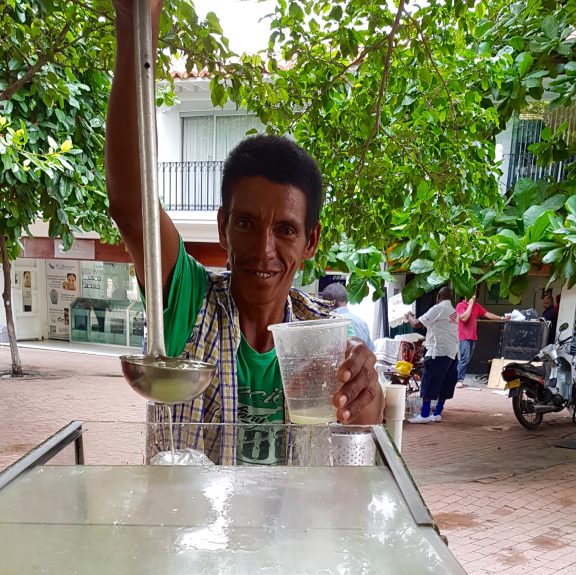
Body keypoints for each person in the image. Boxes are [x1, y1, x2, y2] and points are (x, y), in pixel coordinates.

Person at [105, 0, 382, 455]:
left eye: (286, 230)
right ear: (222, 228)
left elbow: (356, 443)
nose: (263, 249)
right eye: (247, 223)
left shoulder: (325, 338)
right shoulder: (190, 305)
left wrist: (362, 402)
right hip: (191, 526)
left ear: (311, 240)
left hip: (293, 528)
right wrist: (137, 21)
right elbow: (131, 207)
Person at [404, 287, 459, 423]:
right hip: (452, 352)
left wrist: (409, 316)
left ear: (438, 296)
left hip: (438, 352)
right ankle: (437, 413)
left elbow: (417, 324)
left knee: (429, 382)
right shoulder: (454, 312)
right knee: (446, 383)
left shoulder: (437, 308)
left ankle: (424, 415)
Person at [455, 292, 508, 386]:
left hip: (473, 337)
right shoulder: (460, 305)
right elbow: (464, 318)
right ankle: (459, 380)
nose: (474, 296)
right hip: (463, 336)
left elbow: (487, 314)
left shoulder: (477, 306)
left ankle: (458, 379)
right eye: (472, 294)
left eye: (475, 294)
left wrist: (501, 318)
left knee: (467, 359)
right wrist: (470, 305)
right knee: (464, 358)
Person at [320, 283, 374, 350]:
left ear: (326, 303)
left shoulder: (329, 325)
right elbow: (371, 353)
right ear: (347, 300)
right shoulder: (362, 323)